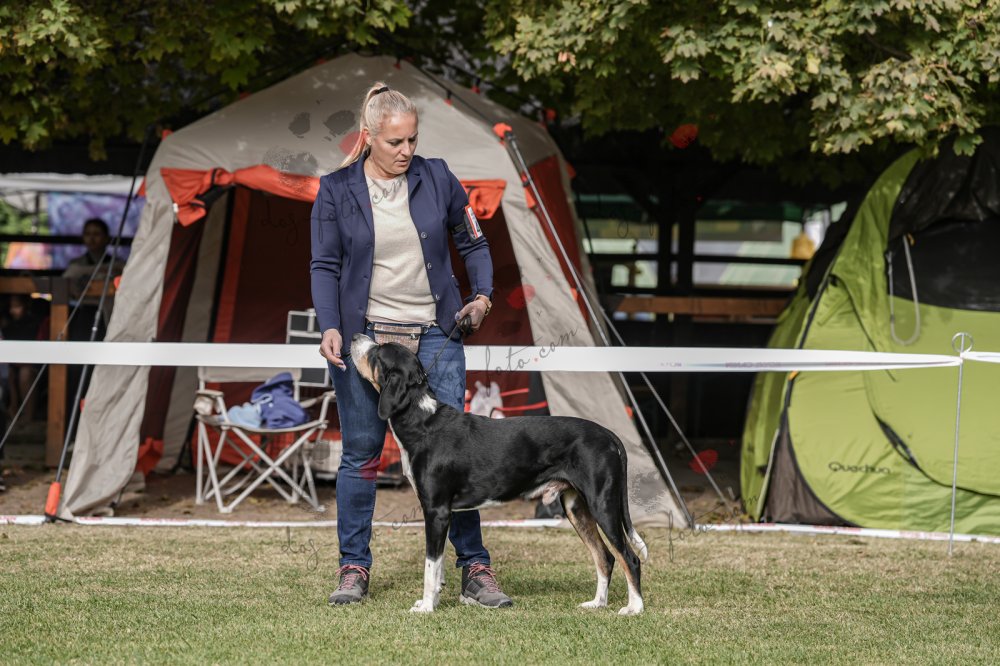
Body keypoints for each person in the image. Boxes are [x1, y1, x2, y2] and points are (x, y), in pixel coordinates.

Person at [311, 82, 509, 608]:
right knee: (360, 455)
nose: (406, 151)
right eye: (395, 141)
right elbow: (324, 265)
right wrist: (330, 326)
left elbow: (473, 241)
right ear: (368, 136)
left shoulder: (437, 176)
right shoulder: (335, 189)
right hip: (367, 340)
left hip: (437, 333)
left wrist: (482, 296)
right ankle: (354, 567)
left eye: (412, 139)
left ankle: (475, 570)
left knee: (455, 455)